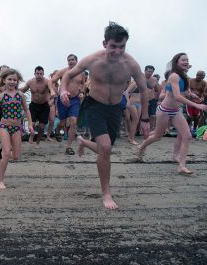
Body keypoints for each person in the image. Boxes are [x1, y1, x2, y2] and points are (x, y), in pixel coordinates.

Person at [61, 22, 150, 209]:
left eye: (122, 47)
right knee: (106, 147)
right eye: (113, 46)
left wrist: (145, 119)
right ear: (104, 43)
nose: (118, 51)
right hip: (94, 106)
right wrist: (62, 91)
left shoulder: (131, 64)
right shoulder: (92, 60)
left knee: (105, 150)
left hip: (115, 109)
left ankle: (84, 142)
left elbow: (143, 90)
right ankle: (106, 193)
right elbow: (68, 76)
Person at [137, 53, 207, 175]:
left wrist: (191, 95)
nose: (186, 62)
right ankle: (141, 147)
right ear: (177, 62)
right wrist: (197, 105)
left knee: (186, 136)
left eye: (187, 60)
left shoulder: (185, 77)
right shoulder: (174, 76)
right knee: (157, 136)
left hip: (176, 111)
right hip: (164, 110)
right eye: (183, 60)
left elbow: (185, 91)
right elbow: (177, 96)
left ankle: (181, 164)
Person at [50, 54, 85, 155]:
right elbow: (51, 81)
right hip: (63, 99)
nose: (70, 61)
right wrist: (53, 91)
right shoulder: (63, 71)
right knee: (63, 123)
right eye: (69, 60)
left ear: (76, 61)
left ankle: (68, 147)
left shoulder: (81, 73)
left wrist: (81, 92)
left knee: (73, 122)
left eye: (72, 60)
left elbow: (83, 84)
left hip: (74, 100)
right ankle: (57, 129)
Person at [21, 66, 55, 147]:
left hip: (44, 106)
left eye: (41, 74)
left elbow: (51, 89)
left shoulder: (47, 81)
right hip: (34, 105)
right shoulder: (30, 82)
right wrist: (14, 91)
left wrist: (53, 93)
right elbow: (23, 90)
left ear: (43, 74)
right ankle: (31, 135)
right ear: (34, 74)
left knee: (42, 126)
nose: (39, 75)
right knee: (31, 123)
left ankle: (37, 143)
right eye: (37, 73)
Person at [46, 70, 59, 141]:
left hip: (53, 103)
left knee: (52, 120)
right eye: (55, 75)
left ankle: (48, 136)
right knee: (42, 120)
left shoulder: (57, 85)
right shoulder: (48, 82)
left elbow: (57, 96)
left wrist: (57, 108)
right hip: (45, 102)